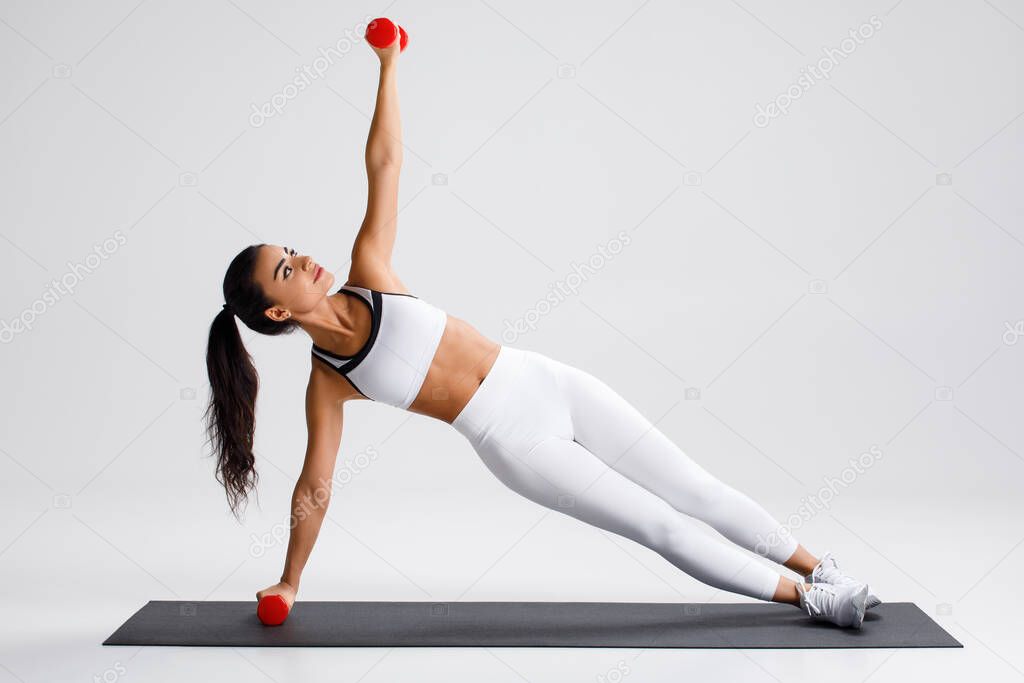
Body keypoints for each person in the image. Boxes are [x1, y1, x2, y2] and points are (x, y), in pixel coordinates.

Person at [204, 26, 879, 629]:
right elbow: (314, 487)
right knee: (659, 525)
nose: (304, 260)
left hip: (548, 380)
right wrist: (291, 580)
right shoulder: (329, 383)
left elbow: (384, 165)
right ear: (277, 312)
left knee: (697, 489)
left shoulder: (370, 272)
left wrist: (388, 65)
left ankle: (822, 568)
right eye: (287, 270)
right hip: (516, 442)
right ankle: (806, 599)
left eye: (291, 252)